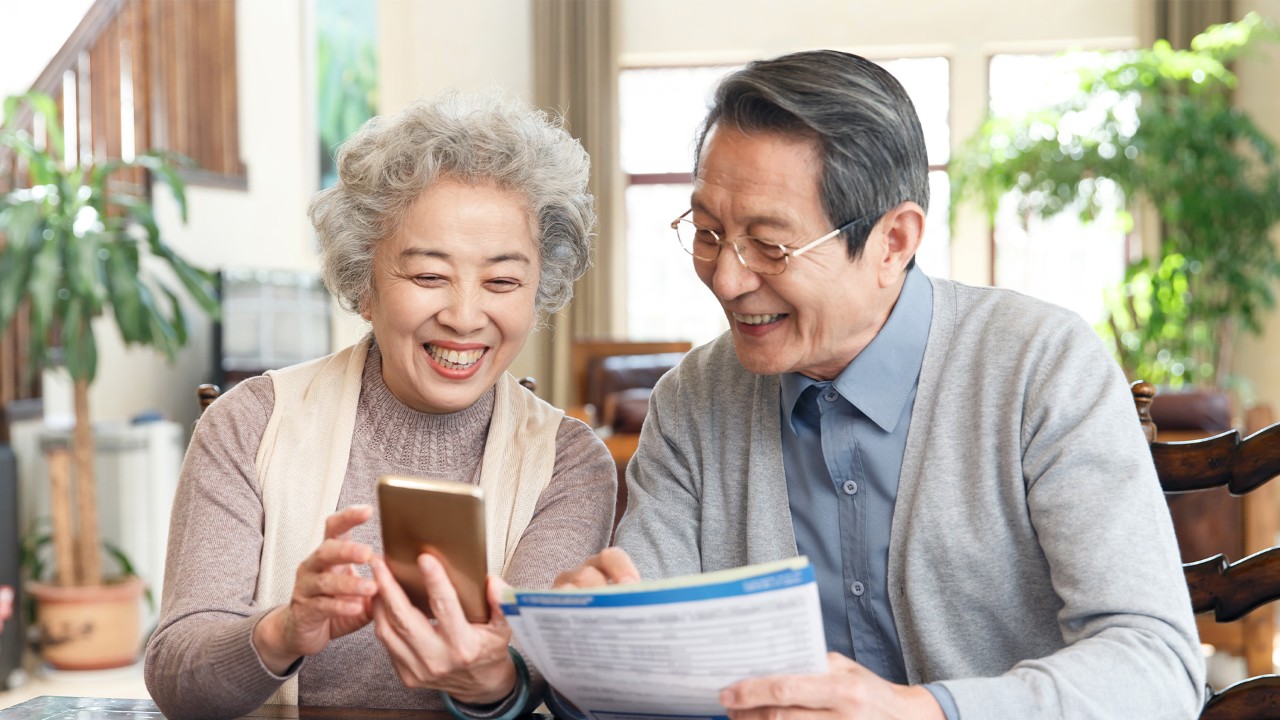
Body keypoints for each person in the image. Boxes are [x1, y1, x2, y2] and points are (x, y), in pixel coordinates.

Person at [557, 50, 1204, 719]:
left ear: (893, 241)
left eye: (770, 246)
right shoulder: (692, 402)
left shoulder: (1040, 368)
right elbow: (643, 670)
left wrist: (927, 711)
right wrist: (595, 646)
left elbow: (1155, 668)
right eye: (708, 233)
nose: (726, 279)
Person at [144, 92, 617, 719]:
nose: (465, 316)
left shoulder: (569, 464)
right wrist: (283, 631)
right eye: (427, 276)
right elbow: (178, 679)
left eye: (503, 281)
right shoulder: (250, 425)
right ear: (363, 284)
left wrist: (491, 682)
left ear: (539, 294)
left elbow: (540, 680)